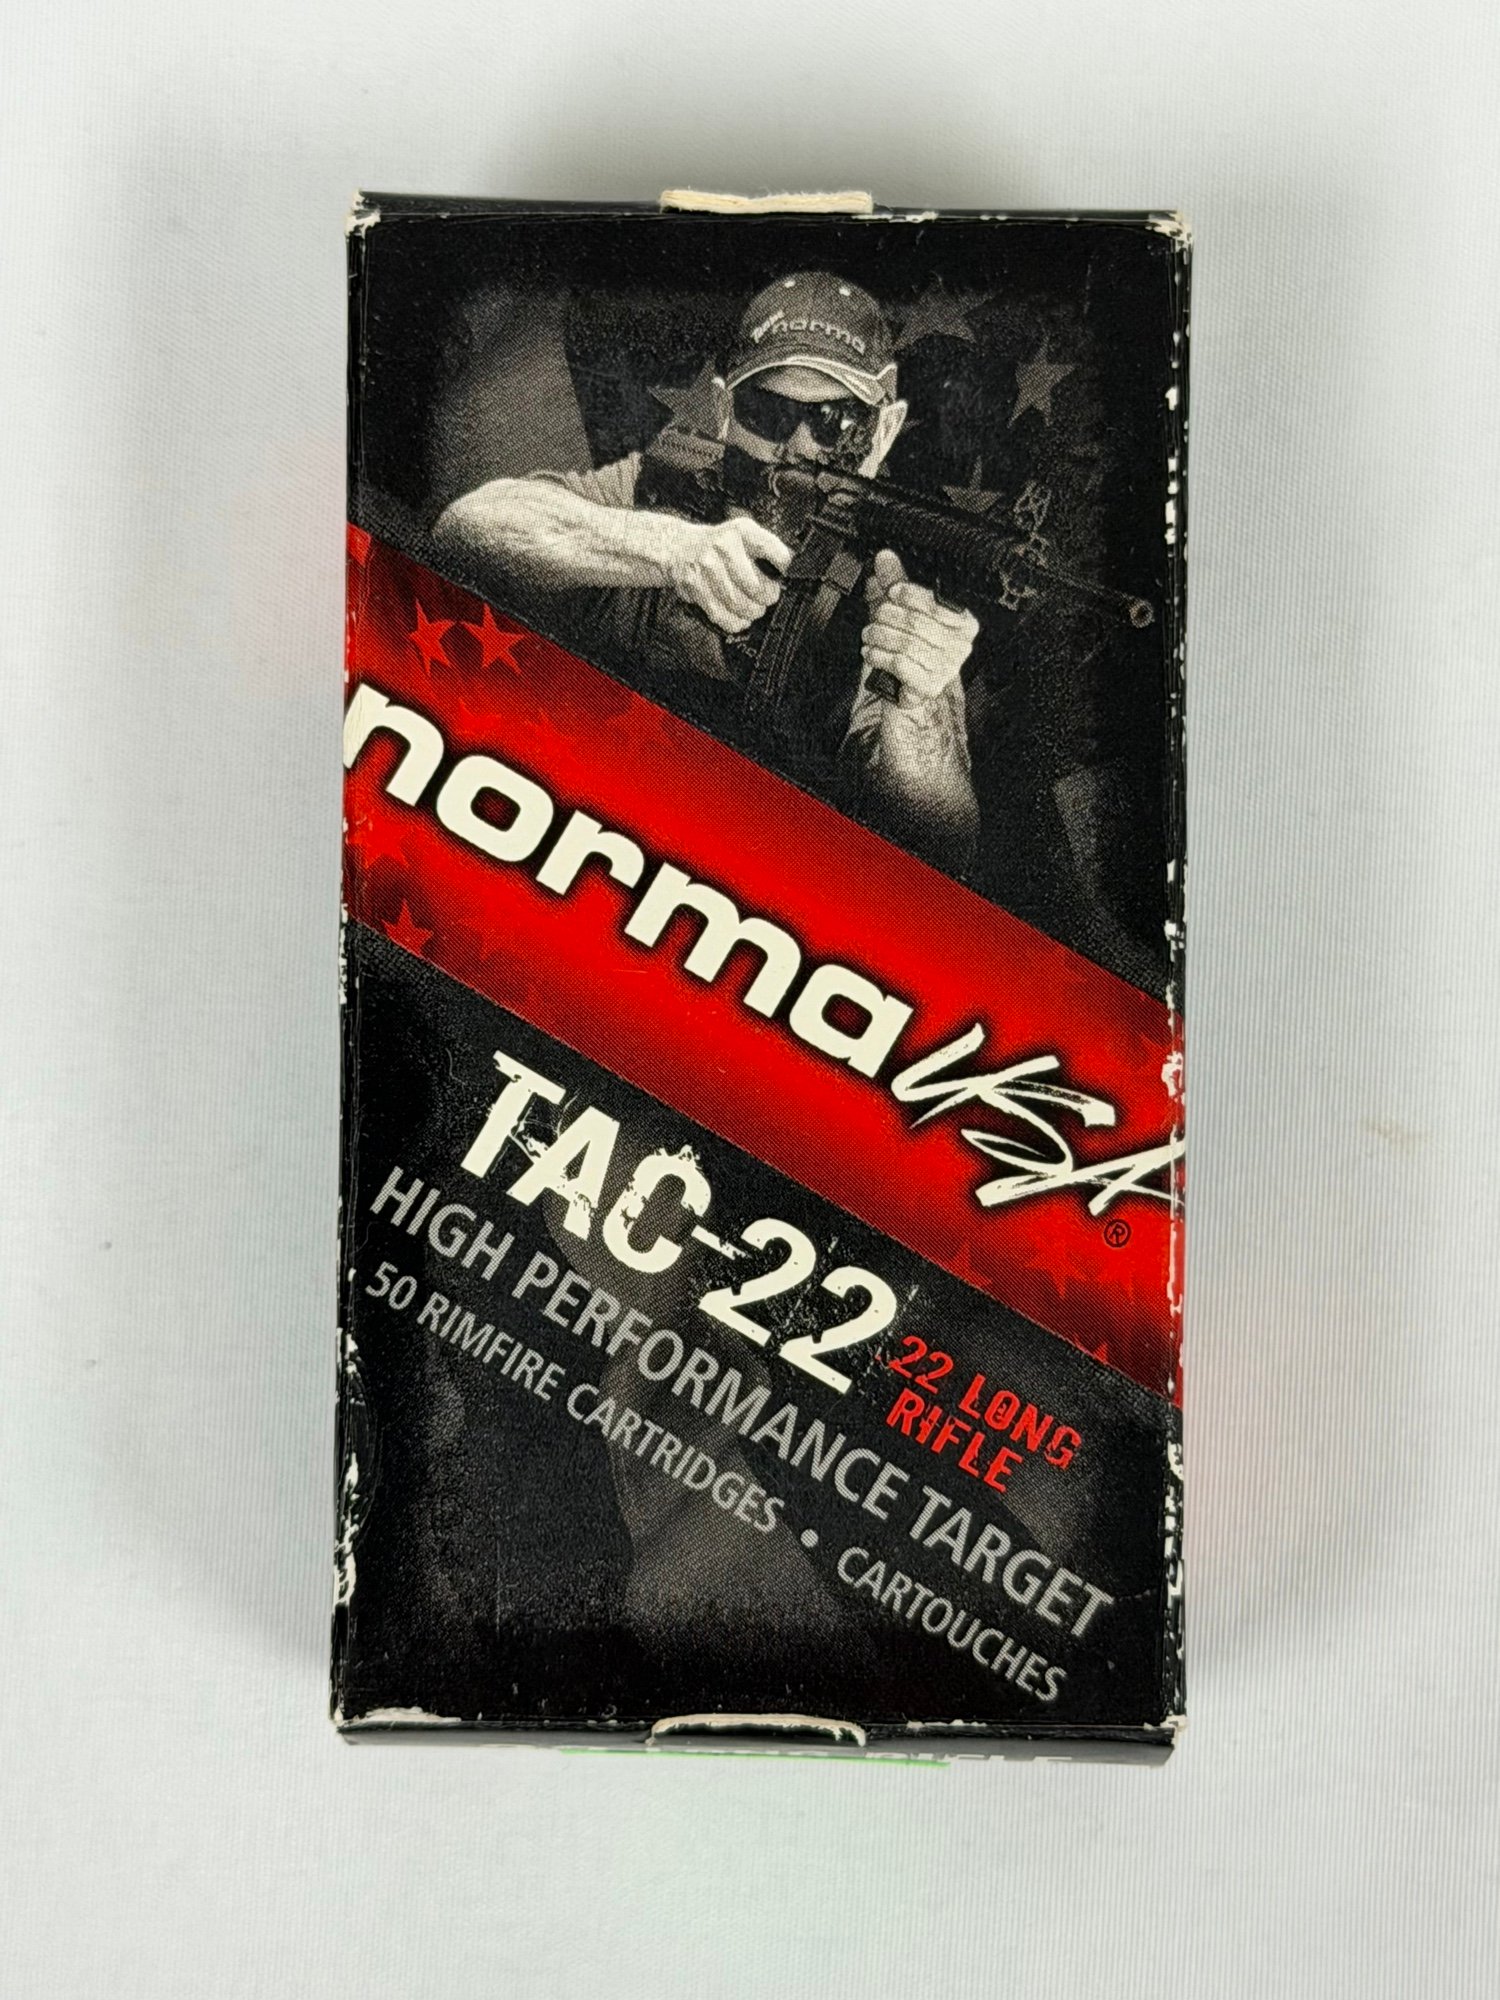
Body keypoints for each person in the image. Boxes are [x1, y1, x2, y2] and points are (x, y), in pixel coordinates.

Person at [434, 272, 982, 870]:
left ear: (883, 432)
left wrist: (917, 706)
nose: (798, 448)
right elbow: (465, 530)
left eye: (836, 421)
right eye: (768, 413)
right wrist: (667, 549)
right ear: (724, 410)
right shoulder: (661, 489)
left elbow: (941, 844)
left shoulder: (889, 588)